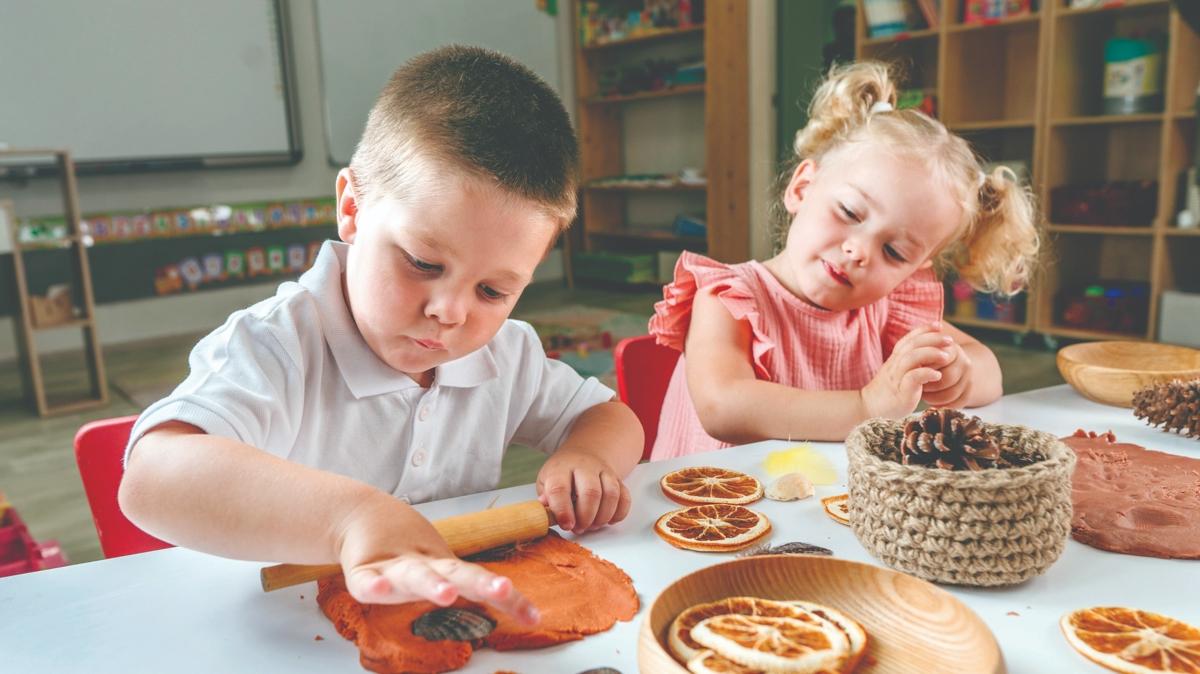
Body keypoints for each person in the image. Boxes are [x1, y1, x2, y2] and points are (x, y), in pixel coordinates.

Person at [119, 46, 644, 625]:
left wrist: (588, 455)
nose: (450, 312)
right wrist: (348, 518)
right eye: (422, 262)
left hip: (440, 621)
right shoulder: (279, 344)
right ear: (351, 207)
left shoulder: (504, 352)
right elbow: (151, 479)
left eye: (493, 292)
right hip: (286, 629)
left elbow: (610, 416)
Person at [648, 60, 1039, 460]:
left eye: (894, 252)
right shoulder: (728, 297)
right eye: (850, 213)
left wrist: (962, 375)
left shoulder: (887, 309)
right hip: (712, 504)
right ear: (802, 188)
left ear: (915, 269)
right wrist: (865, 407)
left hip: (818, 501)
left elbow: (989, 370)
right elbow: (723, 407)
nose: (859, 252)